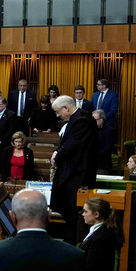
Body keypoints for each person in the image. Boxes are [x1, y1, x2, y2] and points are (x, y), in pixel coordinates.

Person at [51, 96, 99, 244]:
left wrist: (57, 155)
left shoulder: (82, 120)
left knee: (72, 209)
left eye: (58, 112)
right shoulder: (77, 119)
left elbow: (73, 146)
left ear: (66, 107)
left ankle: (72, 241)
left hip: (78, 174)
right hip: (73, 171)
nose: (58, 116)